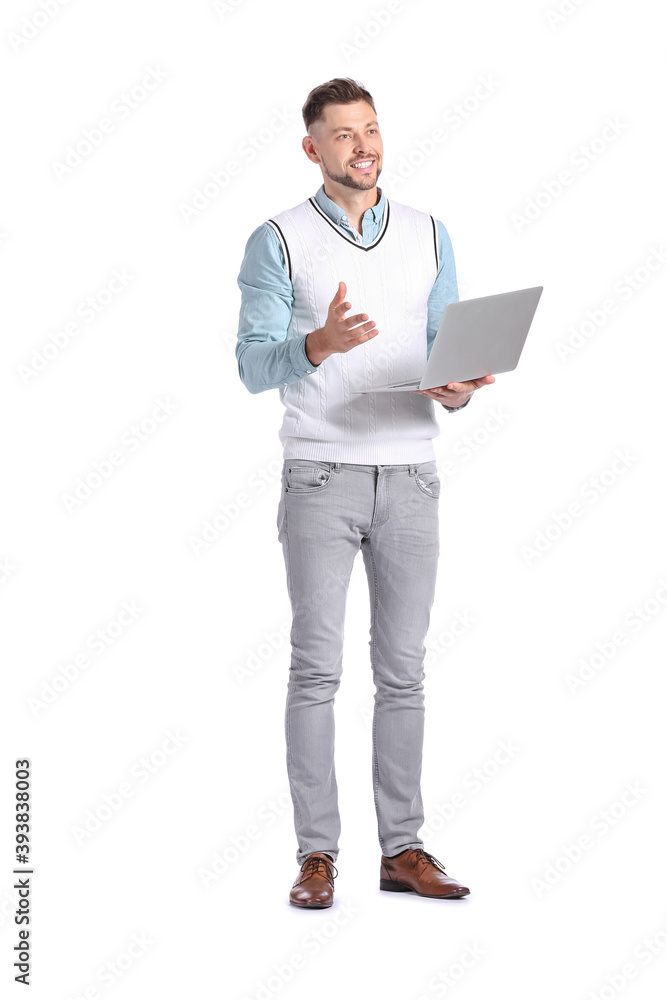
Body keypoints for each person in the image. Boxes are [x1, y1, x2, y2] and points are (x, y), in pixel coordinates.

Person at [235, 77, 494, 908]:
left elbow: (438, 352)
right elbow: (250, 364)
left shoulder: (428, 233)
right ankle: (316, 856)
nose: (363, 145)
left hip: (411, 472)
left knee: (405, 673)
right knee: (315, 671)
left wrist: (457, 387)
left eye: (371, 129)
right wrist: (314, 342)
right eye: (342, 135)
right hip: (319, 472)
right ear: (313, 148)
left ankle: (403, 849)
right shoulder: (275, 239)